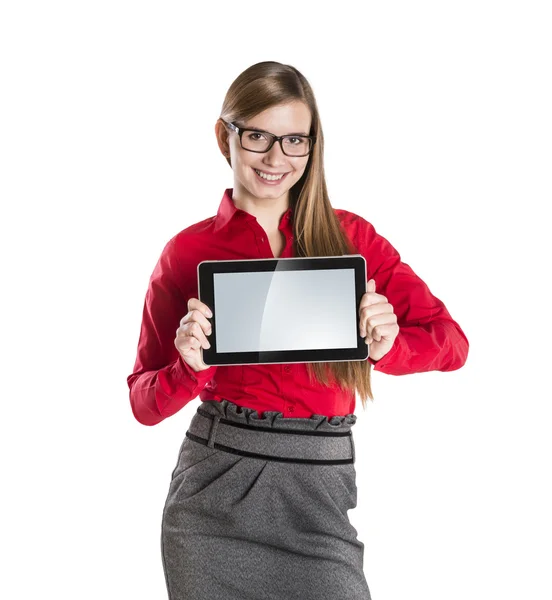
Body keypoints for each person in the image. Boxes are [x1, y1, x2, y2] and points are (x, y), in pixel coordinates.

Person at [127, 61, 469, 600]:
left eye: (294, 140)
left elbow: (452, 343)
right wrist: (187, 368)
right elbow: (143, 403)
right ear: (226, 136)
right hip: (213, 491)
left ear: (313, 147)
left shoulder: (352, 237)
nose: (275, 158)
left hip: (318, 494)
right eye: (258, 135)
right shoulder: (187, 253)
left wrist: (389, 346)